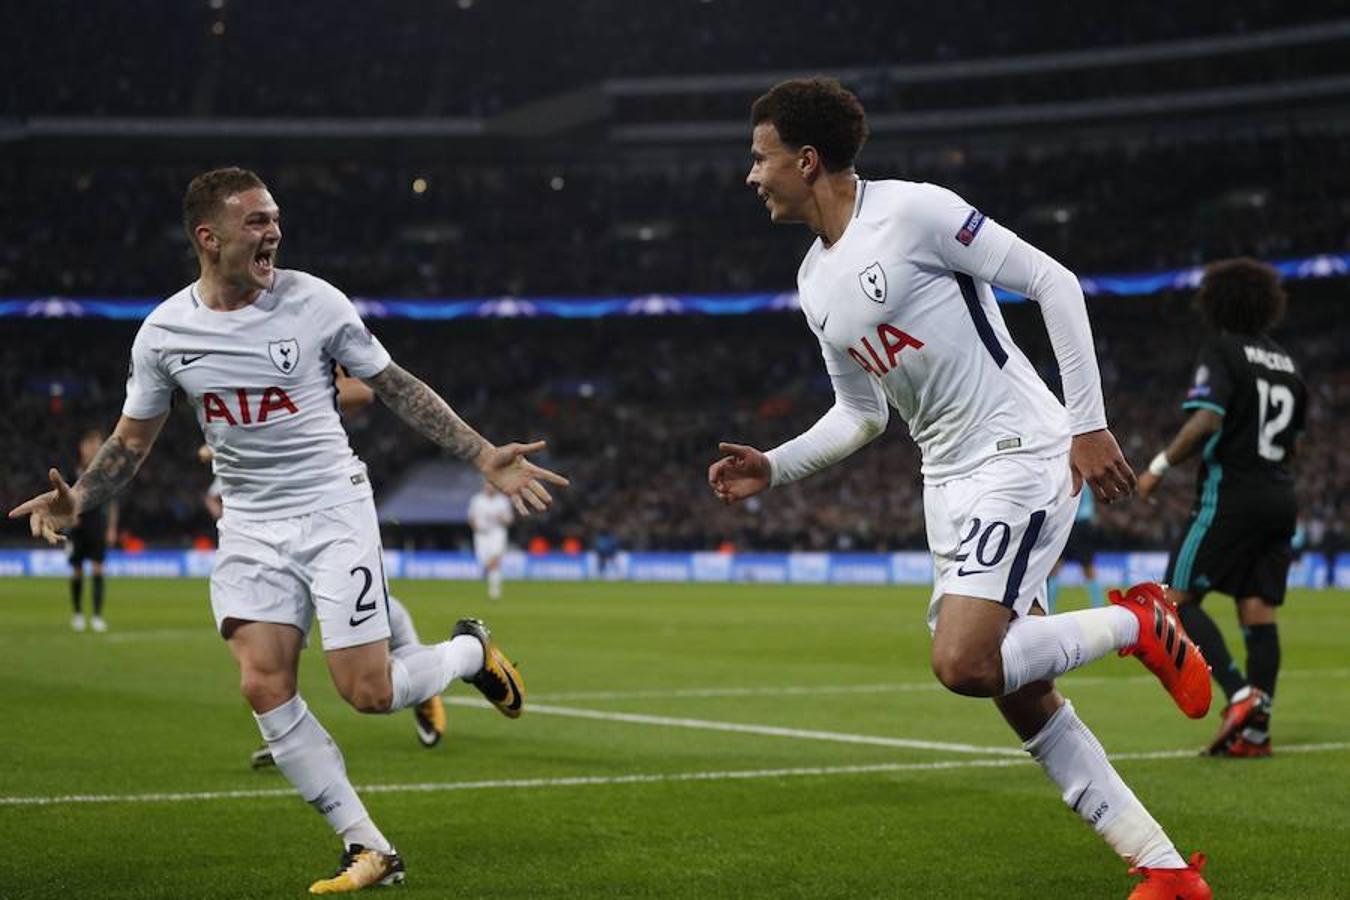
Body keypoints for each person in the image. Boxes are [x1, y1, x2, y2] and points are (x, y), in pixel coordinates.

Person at [708, 78, 1211, 899]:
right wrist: (776, 462)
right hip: (944, 482)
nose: (751, 175)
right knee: (1020, 690)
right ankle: (1163, 868)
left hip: (1018, 450)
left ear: (806, 160)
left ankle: (1139, 621)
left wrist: (1088, 424)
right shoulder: (812, 282)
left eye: (760, 158)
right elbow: (861, 413)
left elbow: (1055, 282)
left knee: (964, 662)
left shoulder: (914, 212)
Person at [9, 167, 568, 894]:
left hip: (331, 510)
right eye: (256, 221)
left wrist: (482, 453)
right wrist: (80, 499)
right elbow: (132, 442)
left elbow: (395, 386)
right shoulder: (164, 334)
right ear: (209, 238)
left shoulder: (315, 302)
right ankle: (368, 847)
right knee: (262, 682)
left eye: (274, 218)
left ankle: (469, 652)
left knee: (367, 692)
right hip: (248, 523)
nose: (272, 231)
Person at [1137, 258, 1306, 758]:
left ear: (1217, 303)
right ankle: (1255, 733)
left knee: (1173, 602)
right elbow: (1293, 446)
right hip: (1281, 497)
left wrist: (1158, 466)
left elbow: (1207, 420)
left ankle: (1239, 695)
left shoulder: (1222, 350)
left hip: (1231, 495)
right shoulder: (1289, 365)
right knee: (1258, 612)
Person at [67, 429, 119, 632]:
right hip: (77, 527)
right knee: (77, 571)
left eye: (98, 446)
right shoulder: (72, 472)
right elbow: (63, 498)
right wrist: (69, 517)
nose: (95, 450)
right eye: (92, 445)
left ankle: (97, 616)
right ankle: (78, 614)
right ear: (82, 447)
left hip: (97, 525)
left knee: (98, 569)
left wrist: (112, 528)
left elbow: (112, 503)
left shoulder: (104, 475)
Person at [1047, 488, 1104, 611]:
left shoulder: (1071, 480)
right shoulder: (1087, 481)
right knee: (1088, 569)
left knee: (1055, 568)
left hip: (1073, 524)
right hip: (1082, 524)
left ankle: (1050, 608)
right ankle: (1098, 607)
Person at [468, 481, 513, 600]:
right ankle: (485, 570)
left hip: (497, 533)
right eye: (488, 485)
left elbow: (509, 520)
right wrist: (476, 528)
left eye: (493, 486)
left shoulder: (503, 501)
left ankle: (494, 591)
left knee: (495, 560)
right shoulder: (477, 500)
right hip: (481, 535)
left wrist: (501, 518)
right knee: (484, 561)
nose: (490, 488)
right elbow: (471, 518)